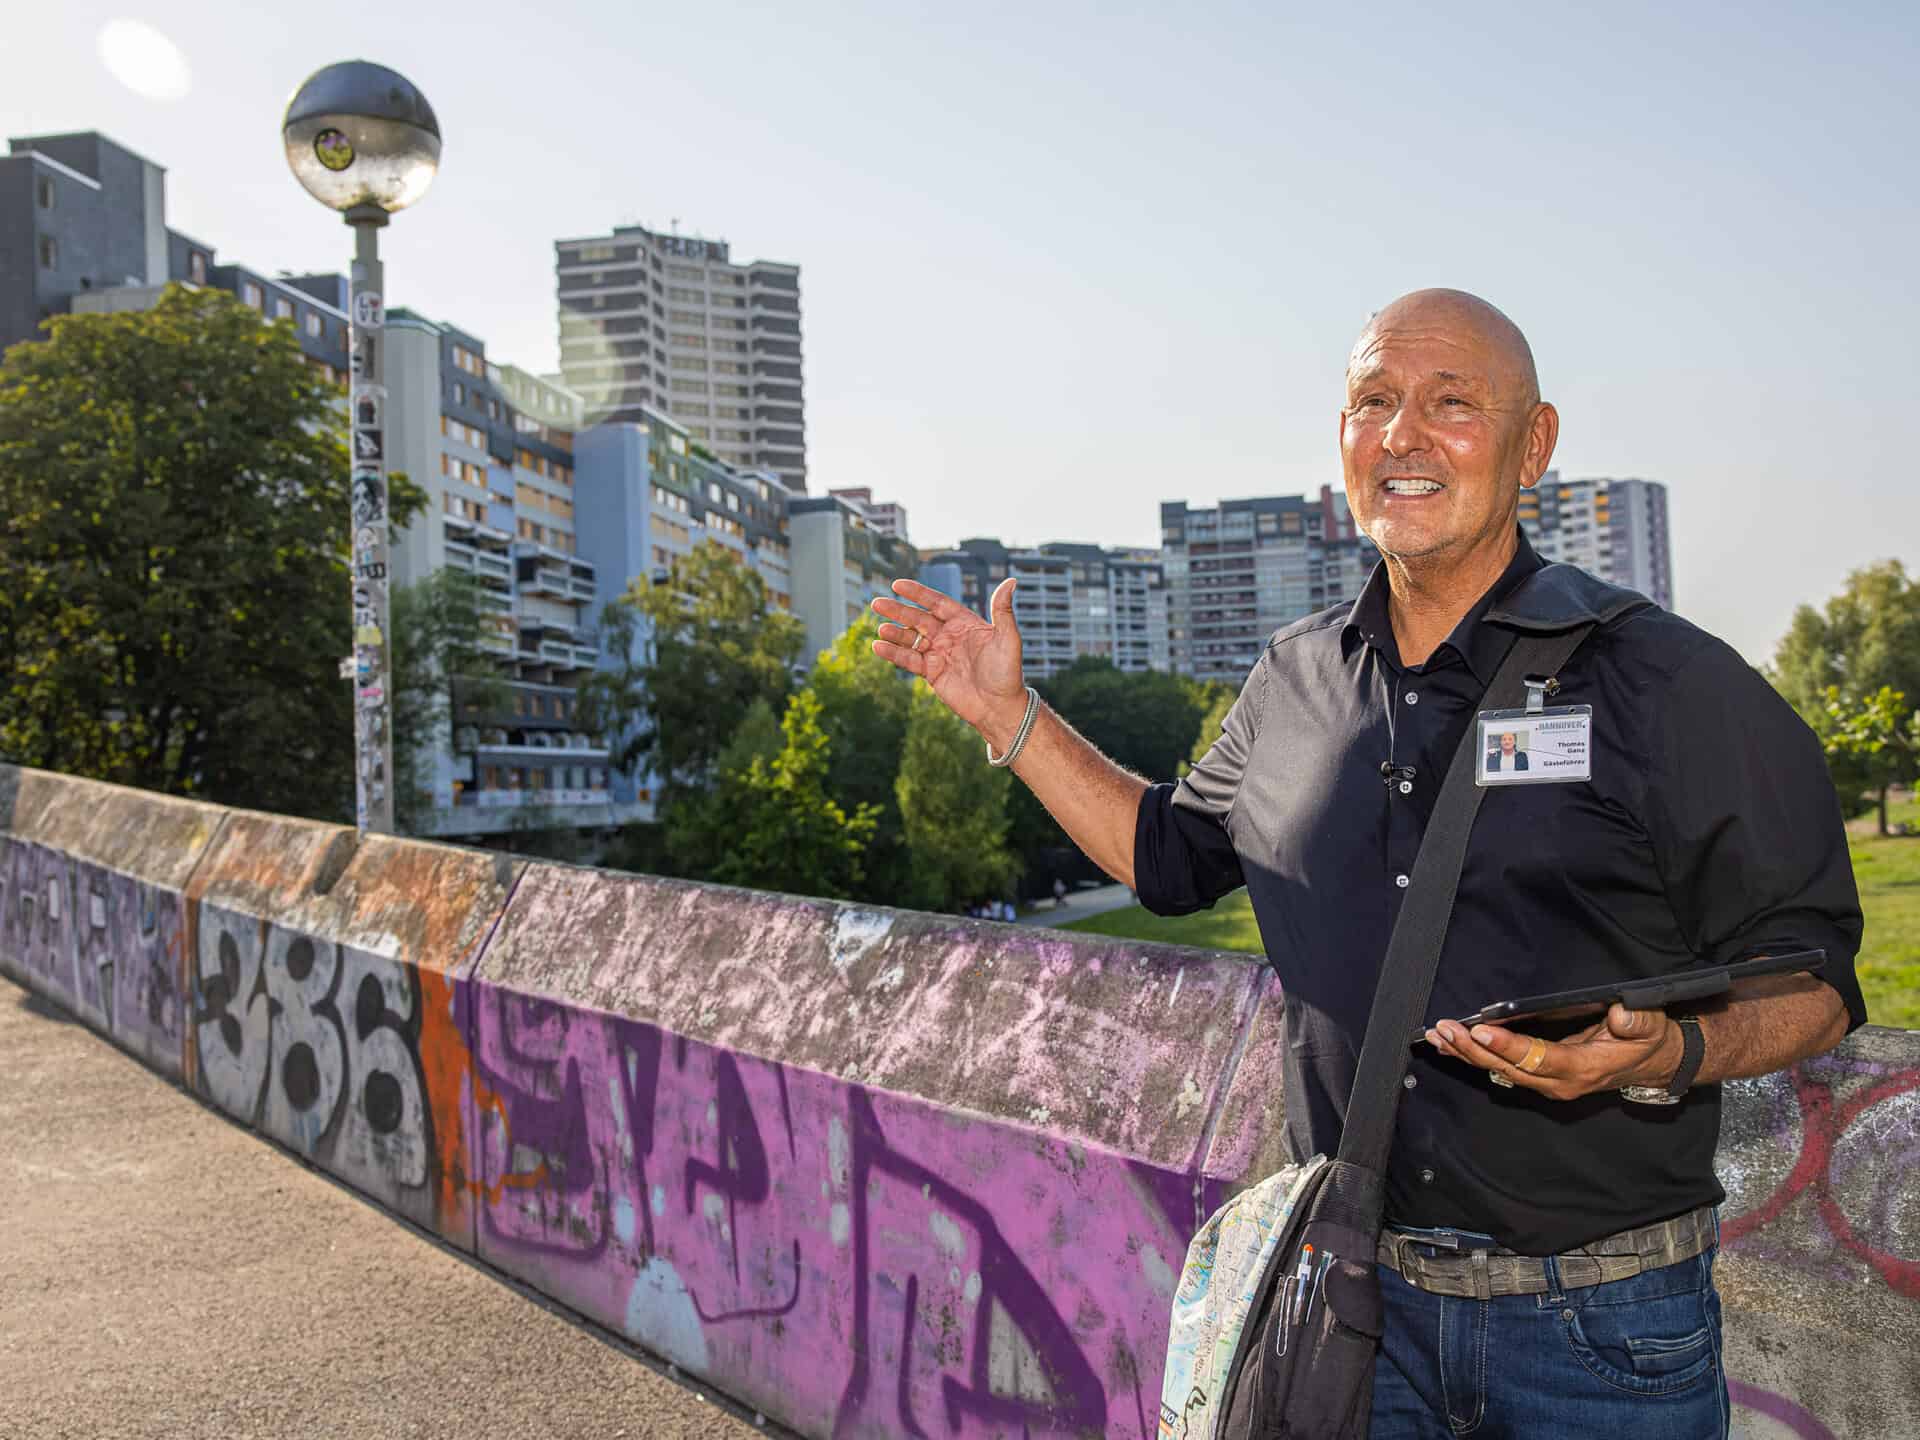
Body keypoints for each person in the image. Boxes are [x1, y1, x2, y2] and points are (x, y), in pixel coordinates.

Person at [870, 289, 1865, 1439]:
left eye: (1452, 404)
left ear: (1533, 444)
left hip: (1600, 1332)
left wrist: (1672, 1051)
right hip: (1350, 1309)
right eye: (1374, 402)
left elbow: (1816, 980)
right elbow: (1166, 859)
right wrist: (1013, 718)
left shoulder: (1671, 683)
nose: (1404, 434)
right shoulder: (1291, 681)